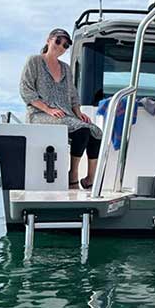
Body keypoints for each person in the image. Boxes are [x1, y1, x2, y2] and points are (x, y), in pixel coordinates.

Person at [19, 28, 102, 190]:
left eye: (65, 45)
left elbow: (73, 96)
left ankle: (90, 178)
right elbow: (26, 91)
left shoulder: (65, 68)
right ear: (48, 40)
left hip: (65, 115)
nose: (61, 47)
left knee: (95, 131)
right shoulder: (34, 61)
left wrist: (79, 113)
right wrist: (48, 109)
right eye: (58, 41)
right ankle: (73, 176)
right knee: (82, 130)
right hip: (39, 114)